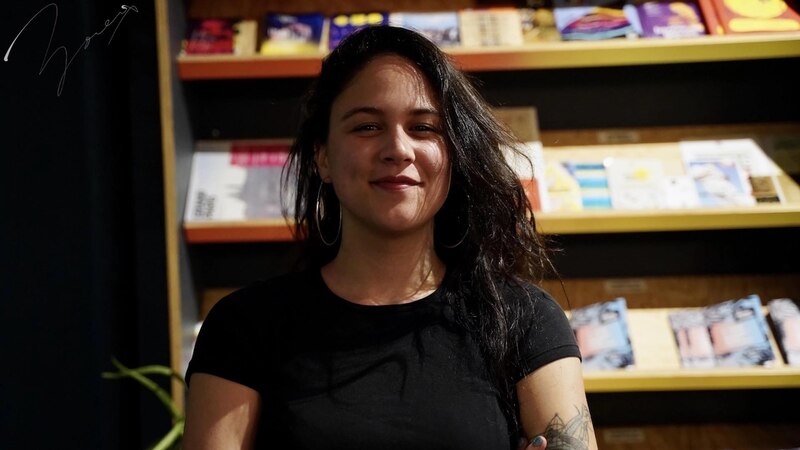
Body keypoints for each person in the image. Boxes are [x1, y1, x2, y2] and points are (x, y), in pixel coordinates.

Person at [183, 25, 598, 450]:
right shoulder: (244, 326)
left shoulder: (524, 319)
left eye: (423, 128)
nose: (398, 149)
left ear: (453, 153)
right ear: (322, 157)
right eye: (366, 127)